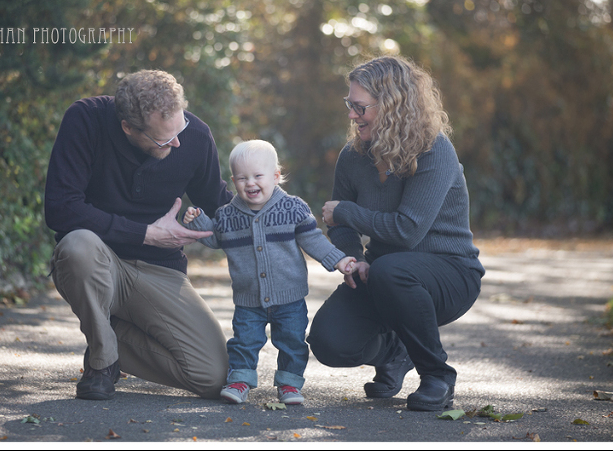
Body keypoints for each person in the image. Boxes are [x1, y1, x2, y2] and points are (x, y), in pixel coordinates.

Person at [308, 55, 484, 412]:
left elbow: (407, 230)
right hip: (385, 272)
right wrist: (352, 260)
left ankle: (437, 376)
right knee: (327, 340)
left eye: (359, 107)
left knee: (392, 270)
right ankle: (394, 353)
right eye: (350, 105)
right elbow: (340, 227)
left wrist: (346, 211)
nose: (352, 115)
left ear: (391, 107)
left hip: (449, 274)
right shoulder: (353, 156)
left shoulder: (435, 151)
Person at [44, 70, 234, 401]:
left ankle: (108, 333)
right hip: (97, 262)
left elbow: (220, 203)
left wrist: (273, 217)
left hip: (160, 271)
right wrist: (145, 234)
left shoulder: (195, 136)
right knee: (77, 245)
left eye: (180, 129)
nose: (176, 142)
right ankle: (102, 363)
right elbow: (61, 207)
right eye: (164, 139)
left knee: (213, 375)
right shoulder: (86, 120)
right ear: (128, 128)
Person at [182, 140, 357, 405]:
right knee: (244, 342)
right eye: (242, 178)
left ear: (275, 177)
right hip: (248, 299)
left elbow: (313, 240)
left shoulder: (293, 208)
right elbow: (214, 237)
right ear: (233, 181)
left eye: (257, 176)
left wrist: (339, 260)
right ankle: (240, 381)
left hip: (289, 298)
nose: (250, 183)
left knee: (292, 343)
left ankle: (289, 385)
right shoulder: (228, 215)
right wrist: (198, 220)